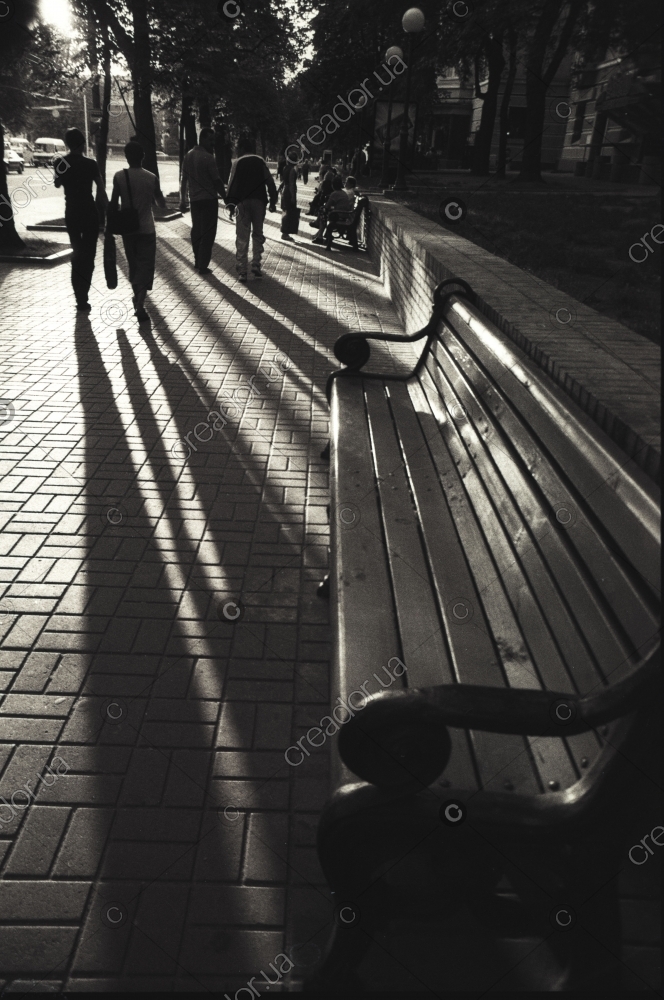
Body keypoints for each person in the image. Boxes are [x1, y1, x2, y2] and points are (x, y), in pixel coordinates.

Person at [110, 140, 165, 322]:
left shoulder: (119, 176)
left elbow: (114, 203)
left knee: (134, 265)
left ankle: (138, 299)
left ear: (126, 157)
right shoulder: (151, 177)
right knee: (146, 266)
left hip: (128, 230)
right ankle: (140, 303)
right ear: (143, 157)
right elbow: (160, 203)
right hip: (147, 229)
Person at [53, 127, 108, 312]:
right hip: (89, 212)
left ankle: (79, 297)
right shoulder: (91, 164)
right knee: (89, 255)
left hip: (72, 212)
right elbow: (101, 191)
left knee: (77, 252)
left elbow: (57, 183)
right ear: (83, 143)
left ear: (68, 144)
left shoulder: (60, 162)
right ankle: (84, 295)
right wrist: (109, 211)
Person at [226, 136, 278, 281]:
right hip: (259, 202)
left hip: (242, 202)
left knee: (242, 236)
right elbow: (270, 182)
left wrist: (230, 205)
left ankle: (242, 270)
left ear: (242, 148)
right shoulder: (260, 161)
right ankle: (256, 264)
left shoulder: (237, 162)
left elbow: (232, 185)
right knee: (257, 234)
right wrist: (273, 201)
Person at [179, 127, 226, 274]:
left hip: (195, 201)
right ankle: (203, 265)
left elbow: (184, 180)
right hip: (209, 200)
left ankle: (197, 260)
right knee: (208, 233)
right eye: (210, 140)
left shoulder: (188, 156)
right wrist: (226, 198)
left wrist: (182, 200)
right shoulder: (208, 157)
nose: (213, 143)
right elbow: (217, 181)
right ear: (202, 139)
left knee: (197, 231)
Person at [312, 174, 351, 246]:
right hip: (345, 214)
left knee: (323, 213)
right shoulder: (343, 192)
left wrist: (325, 207)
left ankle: (319, 236)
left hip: (339, 215)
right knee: (323, 212)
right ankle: (319, 233)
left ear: (333, 185)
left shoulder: (335, 193)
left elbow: (327, 206)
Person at [280, 158, 298, 242]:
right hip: (289, 192)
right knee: (289, 211)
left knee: (285, 211)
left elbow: (284, 181)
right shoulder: (292, 170)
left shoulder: (285, 168)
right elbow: (291, 184)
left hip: (285, 190)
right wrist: (293, 197)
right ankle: (285, 233)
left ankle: (284, 231)